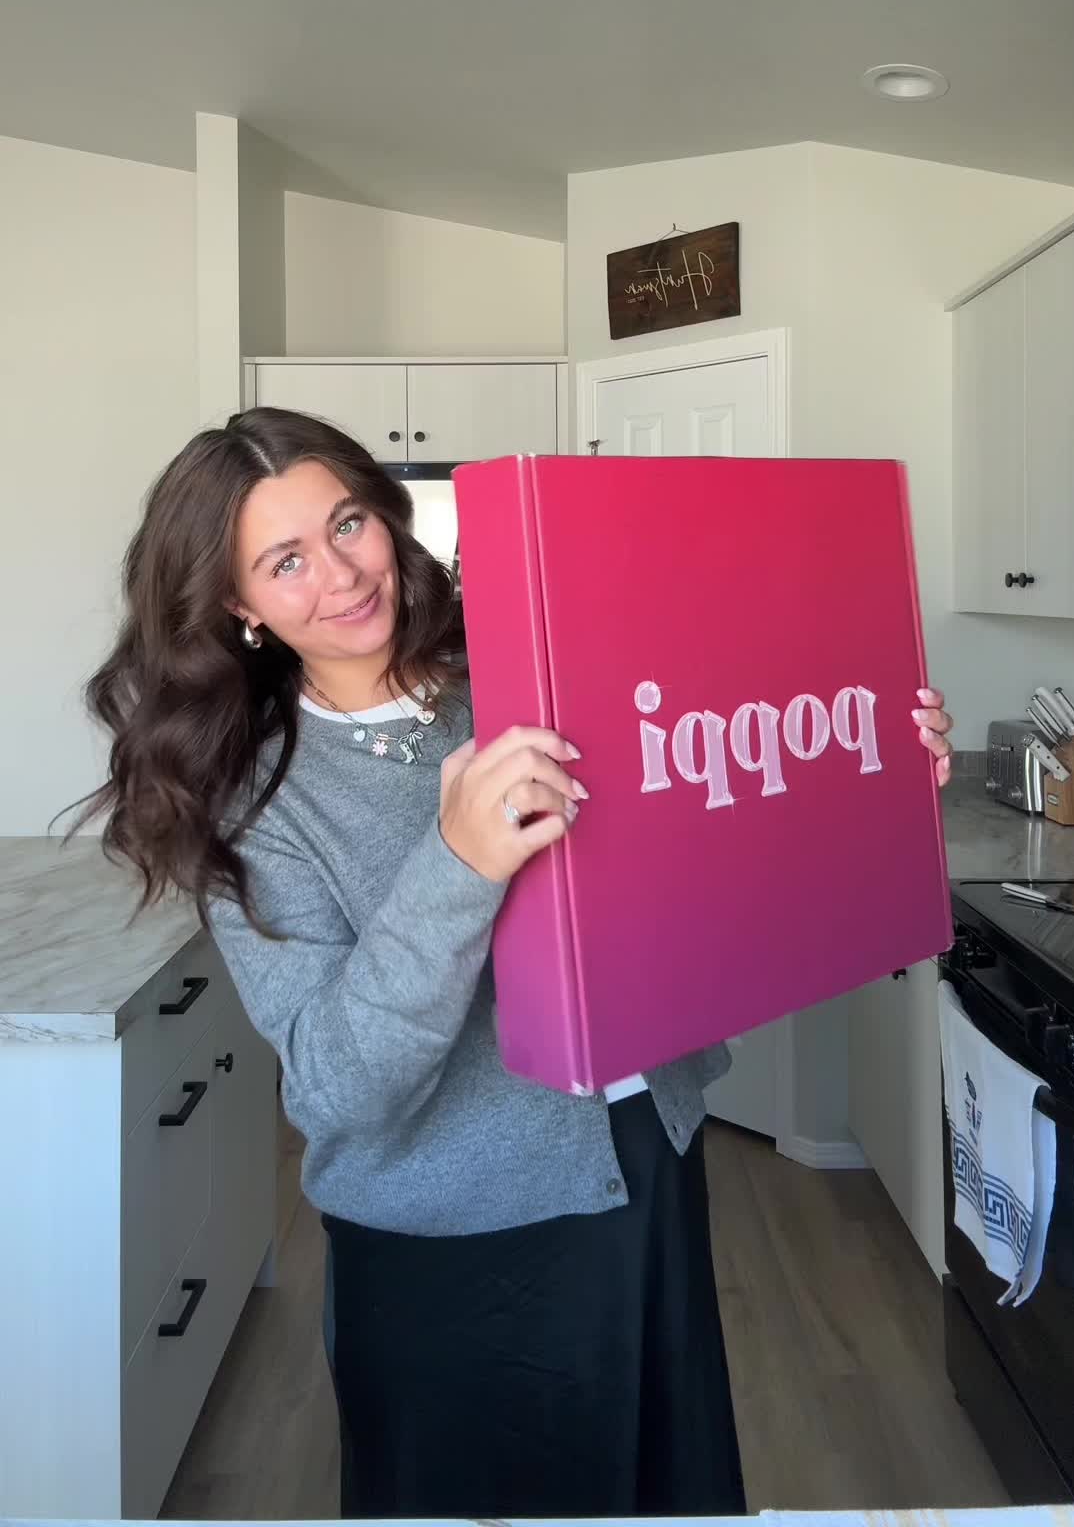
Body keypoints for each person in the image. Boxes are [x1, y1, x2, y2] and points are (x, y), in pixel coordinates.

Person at [76, 407, 954, 1520]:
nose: (341, 575)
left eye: (348, 524)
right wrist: (457, 863)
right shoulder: (256, 806)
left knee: (667, 1496)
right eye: (284, 561)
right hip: (452, 1244)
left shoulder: (534, 666)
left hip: (648, 1163)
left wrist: (866, 764)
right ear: (239, 607)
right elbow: (338, 1087)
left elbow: (714, 822)